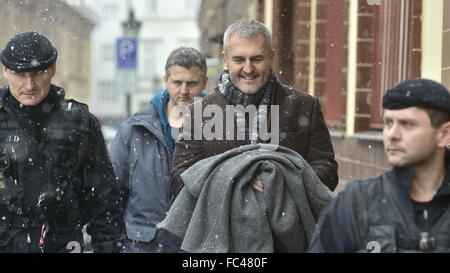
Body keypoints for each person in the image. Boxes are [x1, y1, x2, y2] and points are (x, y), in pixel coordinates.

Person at [169, 19, 338, 199]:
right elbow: (179, 180)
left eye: (256, 59)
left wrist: (281, 182)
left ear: (271, 58)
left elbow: (327, 171)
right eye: (239, 59)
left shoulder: (304, 106)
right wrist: (233, 177)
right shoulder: (197, 114)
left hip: (289, 224)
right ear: (225, 60)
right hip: (220, 226)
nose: (248, 69)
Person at [0, 31, 125, 253]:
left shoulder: (80, 124)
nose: (29, 85)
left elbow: (105, 203)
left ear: (53, 69)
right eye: (20, 74)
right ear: (5, 70)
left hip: (61, 243)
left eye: (38, 73)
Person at [308, 78, 450, 253]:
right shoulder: (357, 202)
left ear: (444, 134)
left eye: (407, 124)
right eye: (388, 123)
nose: (392, 134)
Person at [109, 47, 208, 253]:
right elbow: (112, 194)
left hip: (196, 247)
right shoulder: (134, 129)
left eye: (191, 83)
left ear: (204, 83)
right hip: (142, 246)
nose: (184, 90)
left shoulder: (218, 128)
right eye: (177, 83)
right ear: (166, 81)